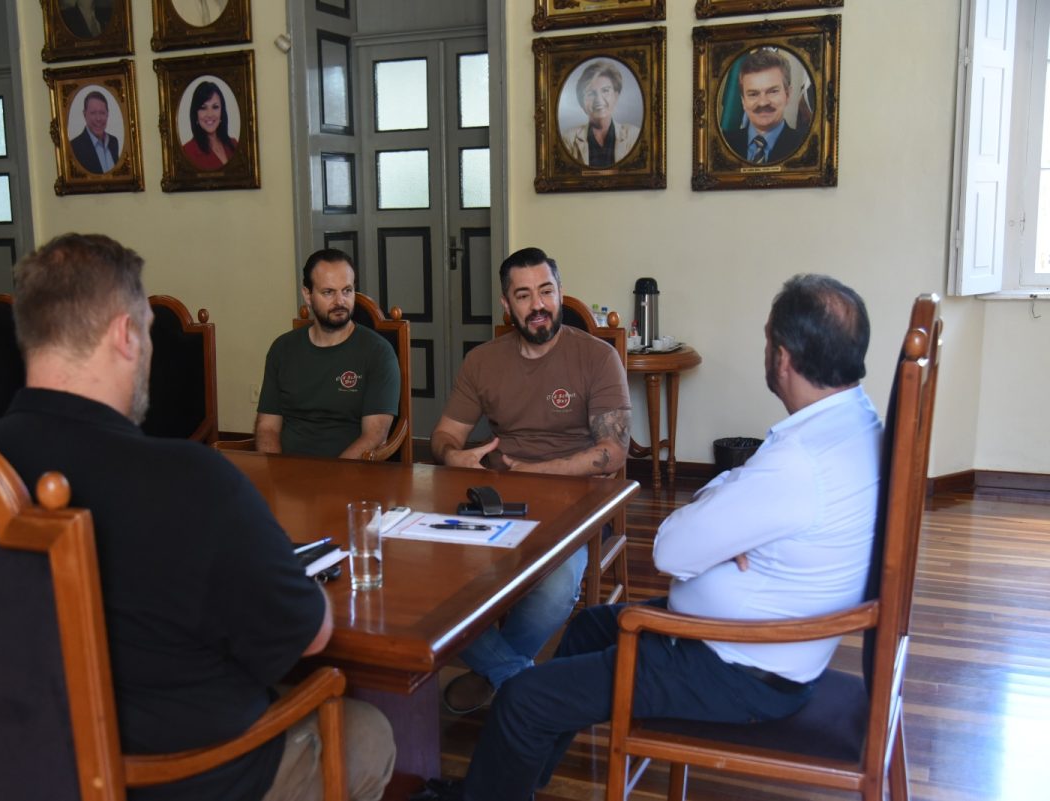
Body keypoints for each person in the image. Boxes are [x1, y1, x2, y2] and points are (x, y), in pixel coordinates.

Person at [0, 234, 394, 801]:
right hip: (185, 776)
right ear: (127, 334)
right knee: (368, 733)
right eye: (148, 328)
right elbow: (311, 633)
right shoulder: (195, 480)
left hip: (15, 764)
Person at [445, 274, 882, 801]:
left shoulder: (798, 465)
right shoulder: (856, 423)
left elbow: (669, 549)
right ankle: (519, 778)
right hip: (752, 639)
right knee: (585, 630)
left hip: (734, 665)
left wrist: (719, 506)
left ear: (782, 358)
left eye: (767, 340)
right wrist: (726, 501)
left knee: (521, 697)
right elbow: (725, 510)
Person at [429, 246, 631, 715]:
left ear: (560, 293)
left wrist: (528, 471)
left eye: (546, 291)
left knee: (556, 588)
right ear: (506, 305)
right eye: (524, 296)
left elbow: (611, 453)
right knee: (427, 576)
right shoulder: (482, 361)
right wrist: (455, 456)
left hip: (580, 502)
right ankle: (518, 678)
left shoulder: (597, 358)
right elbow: (443, 436)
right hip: (499, 497)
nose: (538, 305)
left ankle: (496, 674)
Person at [255, 249, 400, 459]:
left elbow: (375, 436)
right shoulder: (282, 349)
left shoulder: (378, 352)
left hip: (348, 475)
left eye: (347, 290)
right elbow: (267, 427)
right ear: (307, 294)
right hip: (287, 474)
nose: (340, 301)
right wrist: (276, 473)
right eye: (328, 292)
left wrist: (332, 478)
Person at [723, 49, 808, 165]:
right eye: (753, 94)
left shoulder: (806, 146)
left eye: (772, 91)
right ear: (743, 101)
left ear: (787, 95)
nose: (763, 103)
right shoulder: (722, 144)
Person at [561, 60, 641, 168]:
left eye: (605, 91)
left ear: (616, 96)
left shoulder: (634, 135)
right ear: (581, 101)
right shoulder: (568, 139)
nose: (599, 100)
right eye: (591, 93)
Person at [181, 81, 239, 171]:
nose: (210, 114)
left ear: (222, 111)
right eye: (203, 108)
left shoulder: (234, 144)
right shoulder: (187, 152)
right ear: (195, 113)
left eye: (215, 107)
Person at [70, 91, 120, 175]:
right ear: (84, 114)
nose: (98, 118)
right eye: (93, 113)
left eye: (102, 113)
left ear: (107, 114)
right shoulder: (74, 147)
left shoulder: (113, 142)